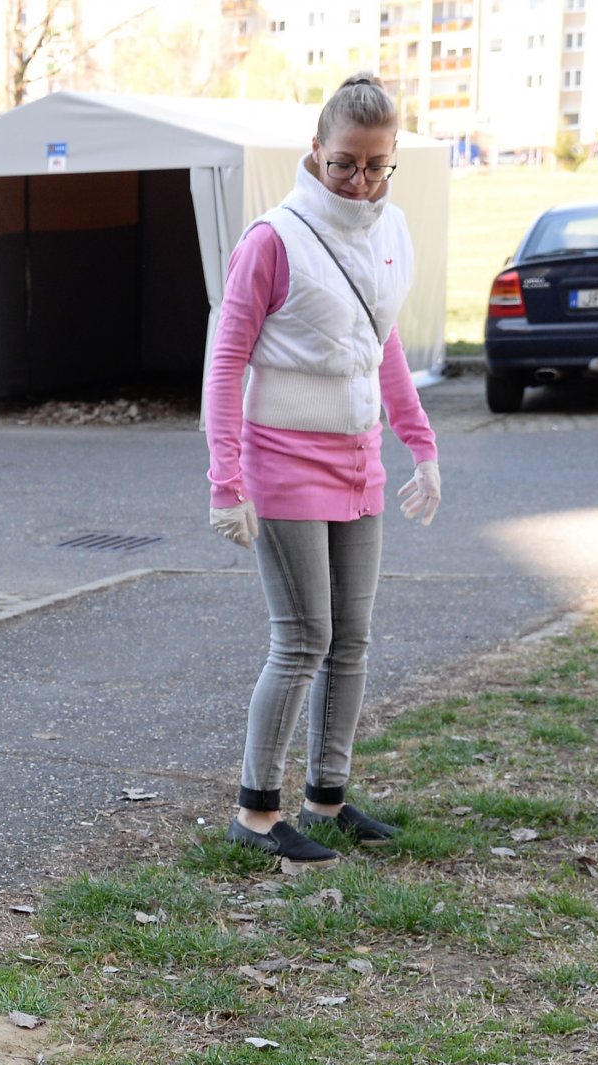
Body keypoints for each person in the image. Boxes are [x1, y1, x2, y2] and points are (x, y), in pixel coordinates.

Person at [205, 72, 443, 865]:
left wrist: (421, 445)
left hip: (358, 460)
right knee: (303, 638)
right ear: (315, 150)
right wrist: (226, 481)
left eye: (377, 165)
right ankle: (256, 814)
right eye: (344, 163)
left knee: (352, 639)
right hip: (282, 461)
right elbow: (226, 361)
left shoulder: (390, 230)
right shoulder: (274, 239)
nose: (360, 181)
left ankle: (328, 799)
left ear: (393, 156)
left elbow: (384, 344)